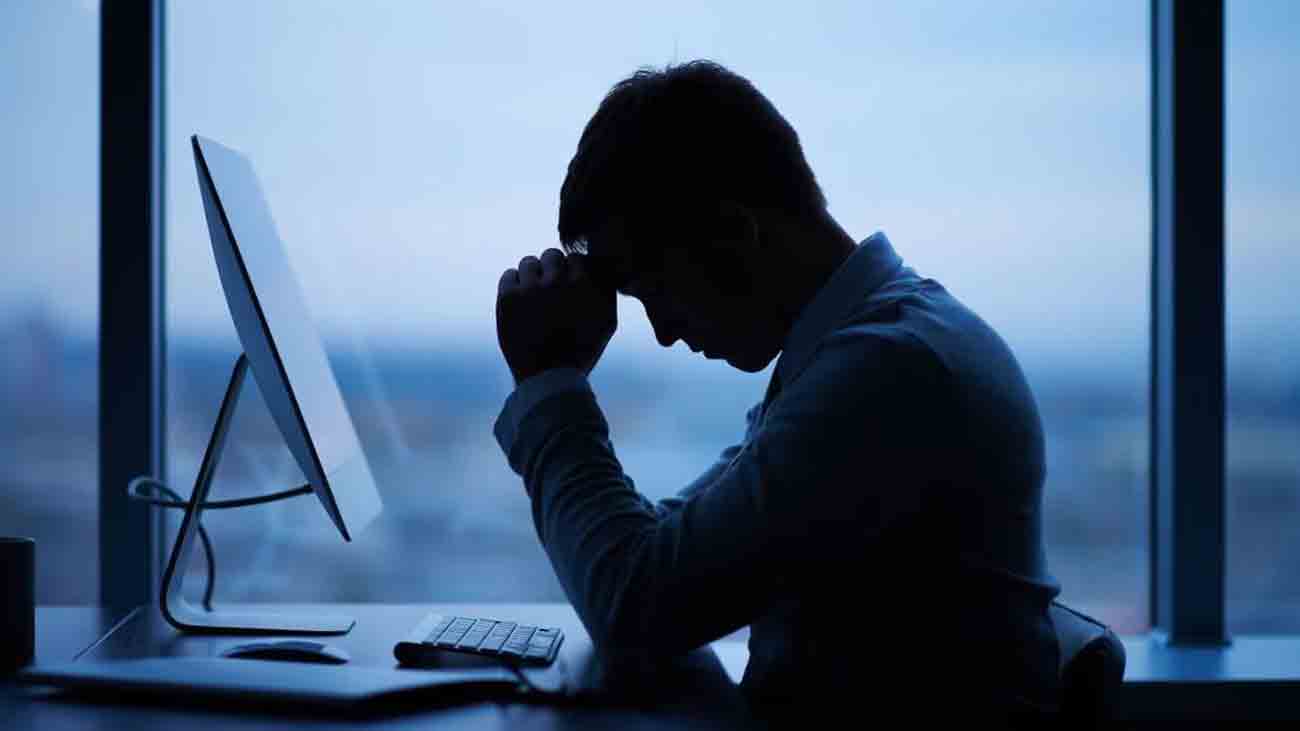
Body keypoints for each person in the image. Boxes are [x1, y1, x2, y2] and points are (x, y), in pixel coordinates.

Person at [492, 60, 1061, 718]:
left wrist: (549, 383)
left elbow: (636, 603)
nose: (665, 332)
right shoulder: (868, 348)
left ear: (736, 235)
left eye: (654, 289)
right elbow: (666, 555)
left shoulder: (887, 376)